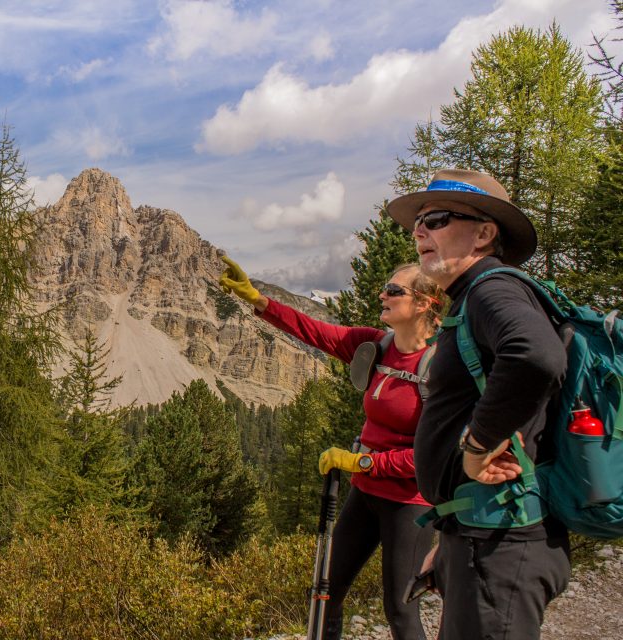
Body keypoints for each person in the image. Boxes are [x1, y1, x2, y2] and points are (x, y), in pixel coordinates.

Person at [387, 168, 570, 640]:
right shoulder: (472, 297)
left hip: (502, 543)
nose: (419, 230)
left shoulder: (492, 288)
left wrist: (476, 445)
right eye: (418, 222)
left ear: (485, 234)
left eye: (438, 219)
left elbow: (535, 356)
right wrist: (449, 536)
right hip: (479, 532)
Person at [220, 256, 443, 640]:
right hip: (366, 493)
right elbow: (316, 332)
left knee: (400, 609)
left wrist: (366, 461)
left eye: (393, 291)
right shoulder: (377, 345)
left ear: (423, 304)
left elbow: (432, 455)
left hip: (410, 503)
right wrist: (258, 300)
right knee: (326, 593)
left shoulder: (440, 366)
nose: (382, 294)